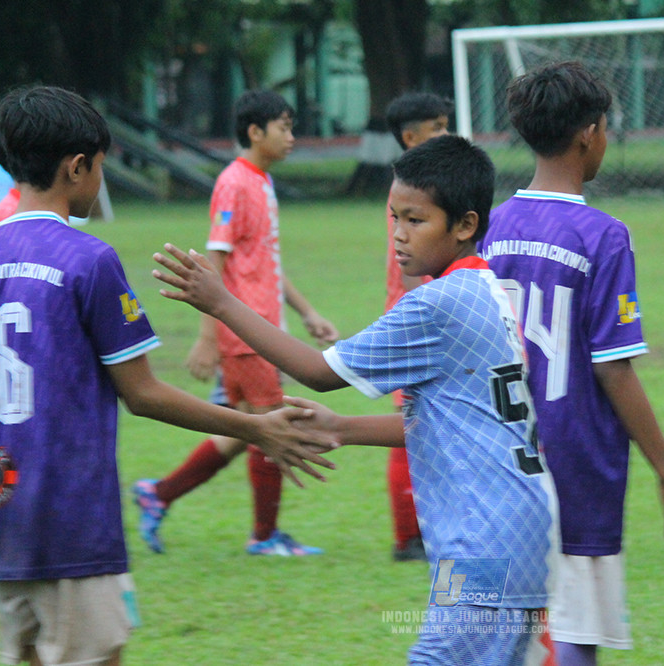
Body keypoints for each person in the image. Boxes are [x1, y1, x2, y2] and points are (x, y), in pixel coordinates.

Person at [153, 134, 559, 664]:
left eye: (415, 220)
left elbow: (317, 372)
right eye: (394, 218)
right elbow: (455, 421)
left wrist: (221, 303)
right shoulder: (488, 291)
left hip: (484, 543)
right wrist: (341, 428)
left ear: (465, 225)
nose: (399, 234)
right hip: (518, 529)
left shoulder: (437, 304)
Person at [0, 85, 333, 666]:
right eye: (101, 167)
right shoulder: (88, 259)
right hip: (72, 518)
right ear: (77, 167)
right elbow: (142, 394)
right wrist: (256, 429)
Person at [478, 61, 664, 666]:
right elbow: (613, 368)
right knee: (574, 629)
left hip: (496, 456)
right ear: (589, 133)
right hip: (575, 462)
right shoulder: (603, 235)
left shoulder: (490, 227)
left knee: (511, 628)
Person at [132, 90, 338, 556]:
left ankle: (158, 494)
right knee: (272, 424)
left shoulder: (261, 181)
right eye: (283, 127)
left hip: (260, 328)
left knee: (243, 428)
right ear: (255, 132)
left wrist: (307, 313)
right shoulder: (234, 183)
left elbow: (265, 262)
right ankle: (264, 537)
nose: (291, 136)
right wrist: (209, 336)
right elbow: (215, 261)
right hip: (245, 332)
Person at [381, 91, 453, 562]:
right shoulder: (405, 189)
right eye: (438, 127)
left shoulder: (426, 184)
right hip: (414, 321)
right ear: (411, 137)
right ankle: (408, 537)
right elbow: (407, 266)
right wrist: (423, 312)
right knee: (410, 428)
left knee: (428, 426)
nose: (447, 133)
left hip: (428, 315)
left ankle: (427, 528)